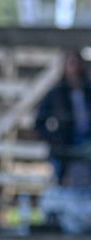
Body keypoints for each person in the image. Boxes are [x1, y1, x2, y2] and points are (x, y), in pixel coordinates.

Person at [36, 49, 91, 186]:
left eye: (77, 63)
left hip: (88, 145)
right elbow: (40, 121)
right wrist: (55, 139)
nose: (75, 67)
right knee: (66, 184)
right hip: (66, 147)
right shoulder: (57, 93)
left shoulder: (88, 91)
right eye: (71, 63)